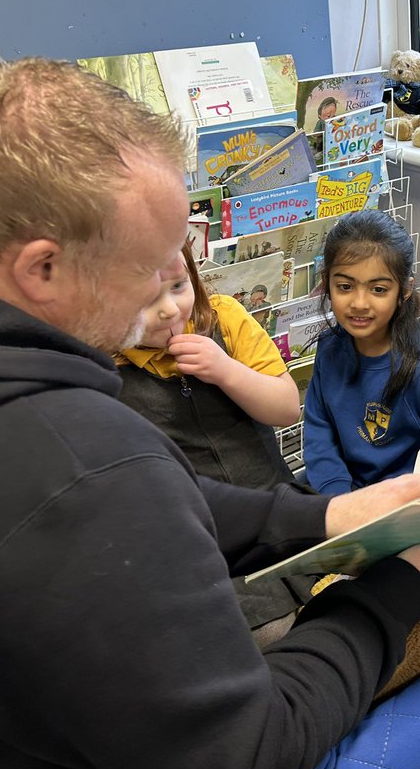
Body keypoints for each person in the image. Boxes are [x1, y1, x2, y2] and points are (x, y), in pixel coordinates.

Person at [0, 57, 420, 769]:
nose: (171, 297)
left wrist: (330, 516)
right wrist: (397, 592)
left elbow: (152, 505)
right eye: (150, 269)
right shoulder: (82, 464)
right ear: (42, 267)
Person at [116, 245, 309, 639]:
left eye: (178, 285)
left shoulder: (224, 316)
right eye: (146, 299)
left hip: (280, 501)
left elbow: (287, 408)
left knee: (347, 589)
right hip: (207, 541)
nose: (169, 310)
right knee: (272, 632)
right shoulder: (106, 366)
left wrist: (226, 371)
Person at [303, 210, 420, 495]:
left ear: (405, 290)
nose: (359, 303)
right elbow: (319, 430)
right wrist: (338, 499)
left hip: (408, 501)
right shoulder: (329, 347)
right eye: (345, 287)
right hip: (344, 494)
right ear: (327, 283)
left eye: (378, 289)